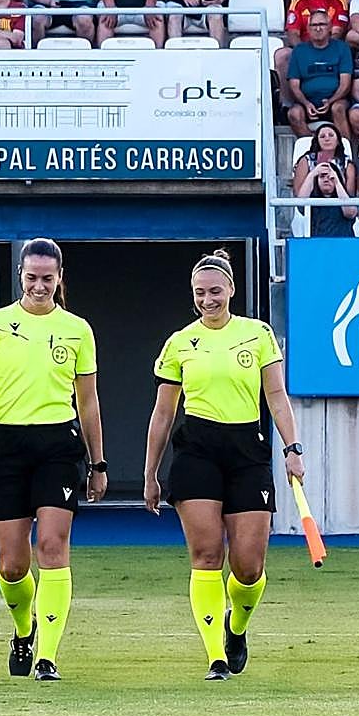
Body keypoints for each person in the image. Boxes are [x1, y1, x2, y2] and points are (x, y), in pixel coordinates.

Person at [143, 249, 304, 681]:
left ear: (232, 289)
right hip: (196, 449)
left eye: (215, 291)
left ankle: (236, 627)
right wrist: (150, 473)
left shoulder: (258, 334)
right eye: (200, 293)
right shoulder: (179, 342)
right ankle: (215, 656)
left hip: (247, 450)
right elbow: (162, 413)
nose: (208, 300)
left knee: (248, 566)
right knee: (207, 554)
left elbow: (275, 396)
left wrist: (292, 448)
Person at [0, 238, 106, 682]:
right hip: (7, 443)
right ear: (20, 276)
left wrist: (98, 462)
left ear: (60, 278)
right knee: (11, 565)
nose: (39, 286)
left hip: (58, 445)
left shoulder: (77, 329)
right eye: (32, 277)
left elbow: (89, 401)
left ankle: (47, 655)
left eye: (47, 278)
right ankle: (23, 629)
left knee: (52, 547)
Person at [286, 9, 353, 137]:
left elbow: (346, 84)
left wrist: (331, 101)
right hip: (307, 102)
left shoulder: (342, 48)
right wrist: (306, 103)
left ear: (330, 27)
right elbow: (294, 85)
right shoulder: (299, 51)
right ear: (308, 29)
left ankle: (345, 151)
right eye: (314, 25)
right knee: (293, 114)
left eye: (322, 24)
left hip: (336, 100)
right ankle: (312, 149)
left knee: (338, 108)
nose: (318, 29)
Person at [291, 121, 355, 201]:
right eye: (322, 136)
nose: (327, 139)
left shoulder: (347, 164)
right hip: (311, 207)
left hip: (340, 207)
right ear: (317, 141)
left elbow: (350, 197)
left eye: (331, 135)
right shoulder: (306, 161)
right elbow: (298, 194)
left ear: (338, 141)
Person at [295, 161, 359, 237]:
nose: (326, 180)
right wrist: (312, 174)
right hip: (319, 246)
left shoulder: (346, 198)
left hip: (343, 246)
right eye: (322, 176)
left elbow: (350, 213)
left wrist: (337, 182)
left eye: (330, 177)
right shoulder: (312, 201)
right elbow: (300, 203)